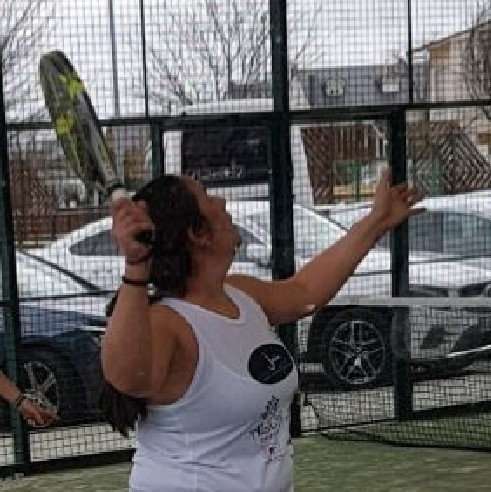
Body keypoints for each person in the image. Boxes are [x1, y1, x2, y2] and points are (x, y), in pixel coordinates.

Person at [100, 169, 422, 492]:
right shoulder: (166, 322)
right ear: (198, 233)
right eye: (207, 197)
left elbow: (306, 292)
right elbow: (128, 377)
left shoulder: (240, 294)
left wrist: (377, 221)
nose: (222, 202)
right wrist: (136, 265)